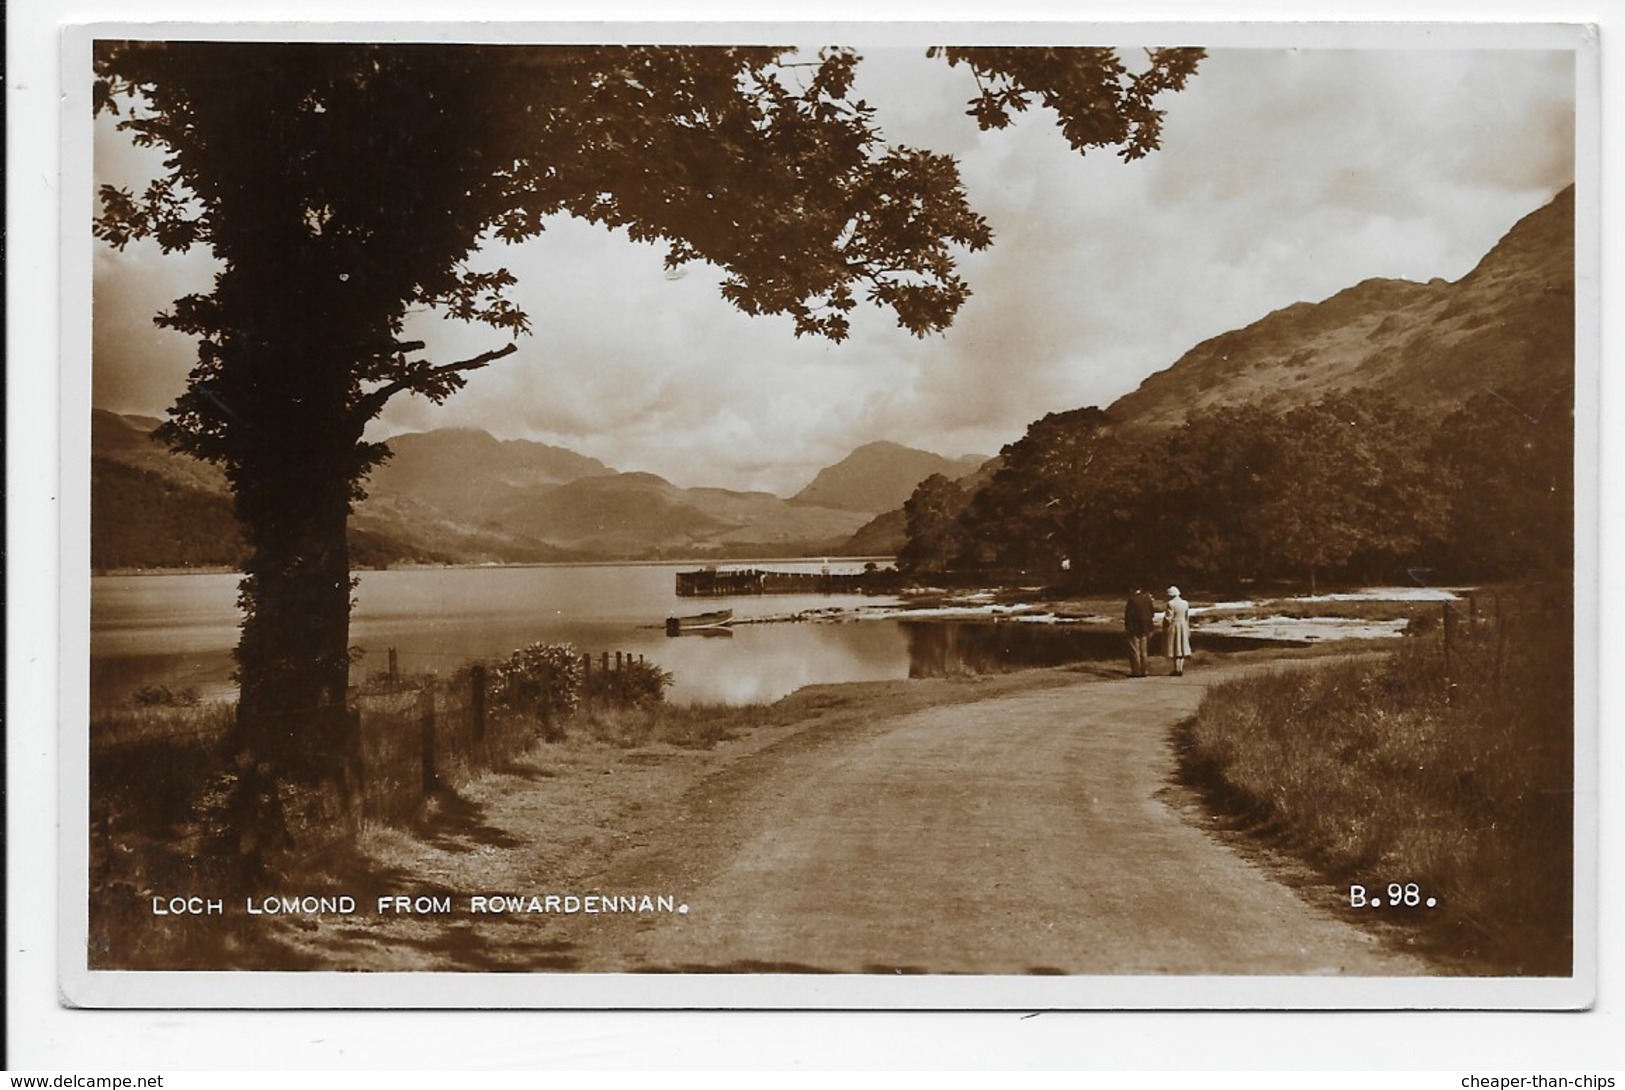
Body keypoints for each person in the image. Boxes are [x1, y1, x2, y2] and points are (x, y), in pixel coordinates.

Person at [1123, 585, 1156, 677]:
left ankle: (1136, 671)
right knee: (1144, 651)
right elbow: (1152, 613)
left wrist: (1127, 628)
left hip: (1134, 629)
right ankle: (1144, 670)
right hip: (1145, 628)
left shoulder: (1132, 600)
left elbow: (1128, 616)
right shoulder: (1147, 599)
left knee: (1135, 651)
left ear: (1132, 590)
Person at [1163, 585, 1192, 676]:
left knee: (1175, 646)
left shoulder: (1170, 604)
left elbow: (1168, 617)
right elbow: (1187, 616)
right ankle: (1180, 668)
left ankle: (1176, 669)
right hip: (1183, 624)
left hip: (1174, 625)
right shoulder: (1185, 603)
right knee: (1182, 646)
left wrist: (1164, 626)